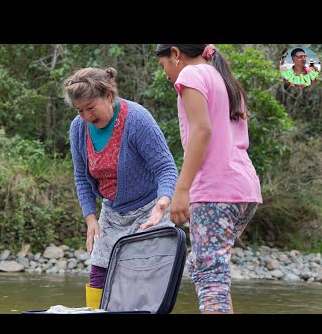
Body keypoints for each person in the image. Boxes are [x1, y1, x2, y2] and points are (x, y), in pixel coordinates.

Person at [154, 44, 263, 314]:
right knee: (215, 273)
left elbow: (202, 132)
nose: (166, 73)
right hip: (244, 189)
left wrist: (182, 190)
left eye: (164, 64)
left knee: (208, 273)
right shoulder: (223, 79)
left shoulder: (191, 75)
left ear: (176, 54)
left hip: (216, 189)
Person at [62, 67, 178, 310]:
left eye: (90, 108)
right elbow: (82, 177)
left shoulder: (136, 118)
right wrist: (90, 219)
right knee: (99, 274)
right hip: (112, 212)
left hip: (150, 210)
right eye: (79, 110)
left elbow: (166, 168)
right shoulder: (78, 128)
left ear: (109, 95)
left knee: (143, 280)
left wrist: (164, 201)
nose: (86, 116)